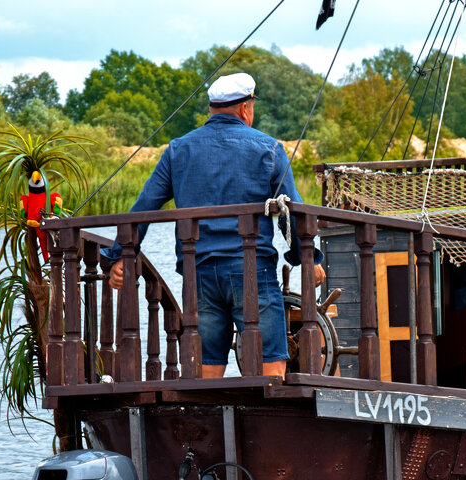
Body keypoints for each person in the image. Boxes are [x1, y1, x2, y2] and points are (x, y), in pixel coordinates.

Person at [101, 72, 323, 379]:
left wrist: (120, 257)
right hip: (251, 271)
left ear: (212, 109)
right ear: (246, 108)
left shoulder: (178, 150)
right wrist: (306, 259)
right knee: (270, 357)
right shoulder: (269, 149)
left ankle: (211, 422)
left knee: (206, 363)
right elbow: (293, 211)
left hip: (198, 272)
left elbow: (143, 208)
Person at [21, 170, 62, 262]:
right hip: (36, 225)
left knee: (49, 243)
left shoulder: (50, 197)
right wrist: (30, 221)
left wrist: (54, 212)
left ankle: (48, 259)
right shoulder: (26, 199)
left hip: (46, 223)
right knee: (43, 243)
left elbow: (57, 207)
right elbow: (23, 212)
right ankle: (47, 259)